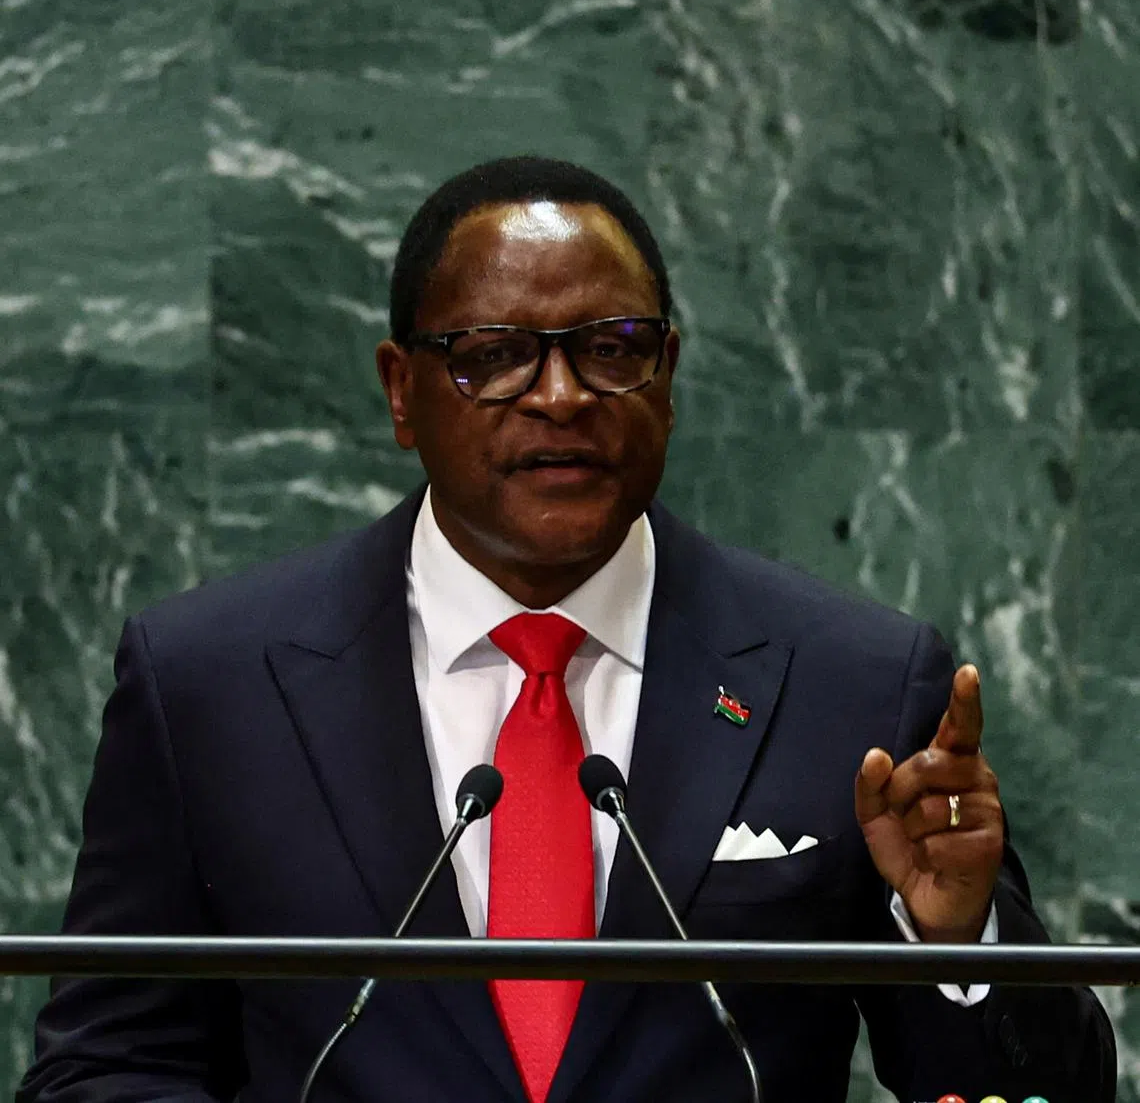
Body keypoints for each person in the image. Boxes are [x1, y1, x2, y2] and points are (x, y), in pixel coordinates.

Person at [19, 156, 1114, 1103]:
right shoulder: (211, 684)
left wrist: (959, 941)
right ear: (401, 391)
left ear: (668, 378)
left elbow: (1042, 1088)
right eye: (493, 353)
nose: (561, 396)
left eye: (613, 347)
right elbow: (107, 1064)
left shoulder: (853, 683)